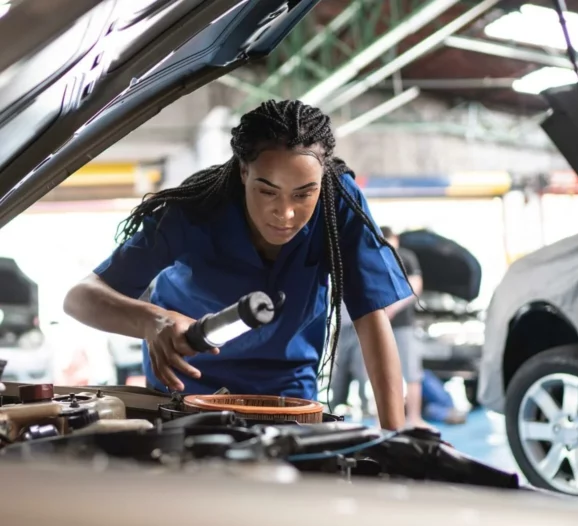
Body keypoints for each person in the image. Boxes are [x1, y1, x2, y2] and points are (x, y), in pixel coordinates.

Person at [63, 99, 412, 430]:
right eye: (267, 191)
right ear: (244, 172)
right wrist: (152, 322)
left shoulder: (338, 202)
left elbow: (370, 317)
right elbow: (80, 298)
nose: (286, 213)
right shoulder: (194, 210)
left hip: (287, 398)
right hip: (187, 392)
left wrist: (394, 436)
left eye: (304, 193)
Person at [380, 226, 426, 428]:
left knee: (411, 373)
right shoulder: (377, 257)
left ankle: (414, 418)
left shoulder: (406, 256)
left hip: (403, 325)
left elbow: (415, 286)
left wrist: (393, 308)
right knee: (385, 374)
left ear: (395, 239)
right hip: (383, 326)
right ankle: (385, 419)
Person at [330, 302, 370, 415]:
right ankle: (335, 405)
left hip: (360, 322)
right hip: (344, 325)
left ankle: (366, 407)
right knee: (341, 369)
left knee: (360, 369)